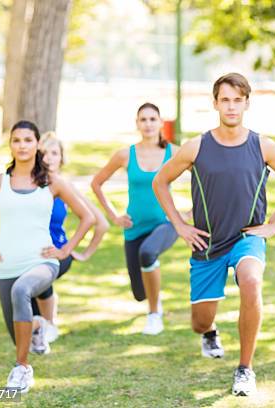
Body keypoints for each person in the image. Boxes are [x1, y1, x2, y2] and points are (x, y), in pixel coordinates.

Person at [153, 73, 275, 396]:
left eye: (238, 100)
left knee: (251, 281)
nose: (232, 106)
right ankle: (209, 332)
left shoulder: (263, 145)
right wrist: (180, 225)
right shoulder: (196, 146)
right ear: (215, 103)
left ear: (247, 103)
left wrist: (274, 224)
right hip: (207, 243)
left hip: (246, 237)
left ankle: (245, 368)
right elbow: (160, 182)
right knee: (199, 321)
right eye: (225, 99)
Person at [0, 120, 94, 393]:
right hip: (6, 265)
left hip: (42, 261)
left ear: (37, 145)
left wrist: (65, 250)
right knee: (16, 332)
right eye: (16, 140)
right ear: (10, 145)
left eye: (28, 140)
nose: (22, 145)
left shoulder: (52, 182)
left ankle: (21, 369)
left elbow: (88, 217)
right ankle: (36, 328)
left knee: (22, 291)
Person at [0, 132, 109, 344]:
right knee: (24, 294)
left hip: (55, 252)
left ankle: (48, 325)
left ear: (62, 158)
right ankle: (37, 326)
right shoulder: (24, 185)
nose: (49, 157)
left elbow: (101, 224)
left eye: (55, 153)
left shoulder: (64, 186)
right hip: (25, 251)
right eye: (45, 153)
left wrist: (79, 252)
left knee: (38, 277)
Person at [92, 103, 179, 335]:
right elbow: (96, 183)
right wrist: (114, 216)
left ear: (161, 122)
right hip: (134, 228)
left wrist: (187, 214)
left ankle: (154, 314)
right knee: (139, 293)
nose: (148, 124)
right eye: (143, 119)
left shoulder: (174, 152)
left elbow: (203, 180)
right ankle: (151, 301)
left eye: (153, 119)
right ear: (137, 124)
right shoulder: (125, 154)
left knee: (148, 253)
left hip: (166, 223)